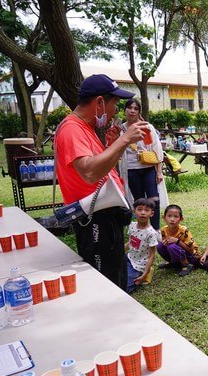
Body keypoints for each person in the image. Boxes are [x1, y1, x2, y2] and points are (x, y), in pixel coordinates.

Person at [54, 74, 144, 290]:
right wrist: (124, 140)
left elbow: (100, 167)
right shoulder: (72, 129)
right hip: (94, 219)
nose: (116, 111)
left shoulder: (86, 128)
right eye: (115, 104)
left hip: (105, 216)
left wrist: (115, 145)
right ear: (100, 102)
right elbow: (89, 172)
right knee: (107, 283)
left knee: (117, 278)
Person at [118, 98, 167, 230]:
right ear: (125, 110)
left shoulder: (146, 127)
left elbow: (156, 149)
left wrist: (159, 171)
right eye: (129, 108)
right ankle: (143, 230)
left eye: (135, 109)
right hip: (131, 170)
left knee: (154, 200)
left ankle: (156, 230)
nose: (132, 111)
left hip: (148, 169)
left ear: (139, 111)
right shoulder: (121, 130)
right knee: (139, 203)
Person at [124, 198, 158, 294]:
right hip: (128, 258)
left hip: (138, 266)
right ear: (134, 212)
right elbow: (130, 243)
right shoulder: (132, 225)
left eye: (147, 210)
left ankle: (147, 273)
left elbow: (152, 255)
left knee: (123, 288)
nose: (143, 213)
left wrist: (144, 274)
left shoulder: (150, 233)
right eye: (139, 209)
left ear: (151, 213)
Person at [157, 204, 200, 277]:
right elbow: (165, 245)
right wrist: (165, 243)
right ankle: (173, 263)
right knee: (160, 246)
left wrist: (177, 241)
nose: (172, 219)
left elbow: (191, 250)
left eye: (176, 216)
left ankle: (187, 265)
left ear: (181, 219)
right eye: (169, 216)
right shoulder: (164, 230)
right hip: (178, 252)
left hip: (192, 256)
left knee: (172, 246)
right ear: (164, 217)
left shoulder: (184, 230)